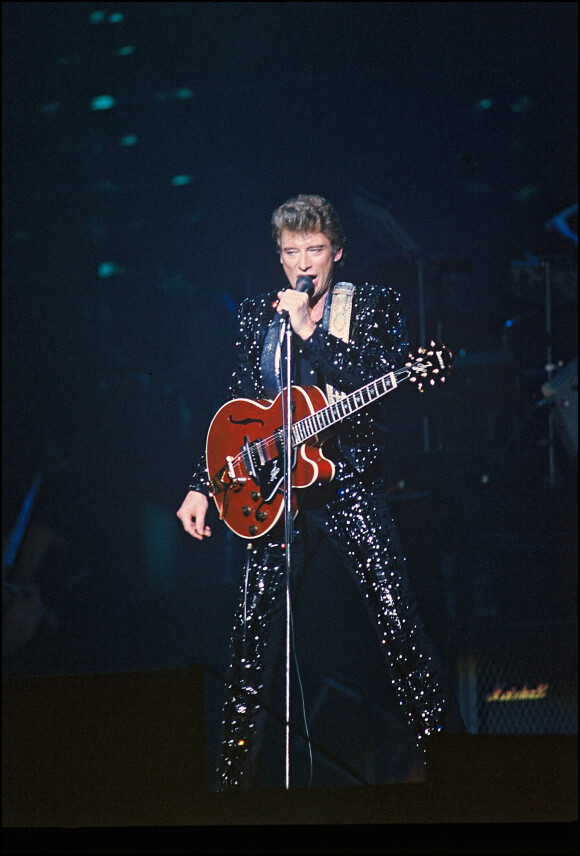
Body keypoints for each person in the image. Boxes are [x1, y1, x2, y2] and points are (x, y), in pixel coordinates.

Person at [176, 194, 464, 790]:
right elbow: (236, 406)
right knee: (250, 643)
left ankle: (457, 773)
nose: (303, 264)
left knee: (399, 629)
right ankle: (229, 790)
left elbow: (383, 391)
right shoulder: (258, 314)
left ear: (336, 252)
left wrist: (313, 332)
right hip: (275, 497)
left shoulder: (371, 306)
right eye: (290, 253)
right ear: (277, 257)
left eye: (314, 251)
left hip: (347, 488)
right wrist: (203, 484)